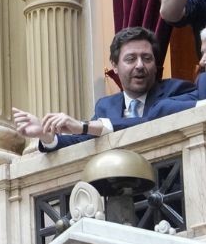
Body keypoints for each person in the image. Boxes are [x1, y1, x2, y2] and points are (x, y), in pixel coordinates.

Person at [12, 27, 196, 151]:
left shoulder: (177, 90)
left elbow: (151, 120)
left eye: (147, 58)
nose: (140, 65)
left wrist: (85, 126)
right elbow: (81, 140)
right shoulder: (105, 106)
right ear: (115, 66)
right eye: (131, 59)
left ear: (156, 65)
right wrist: (46, 135)